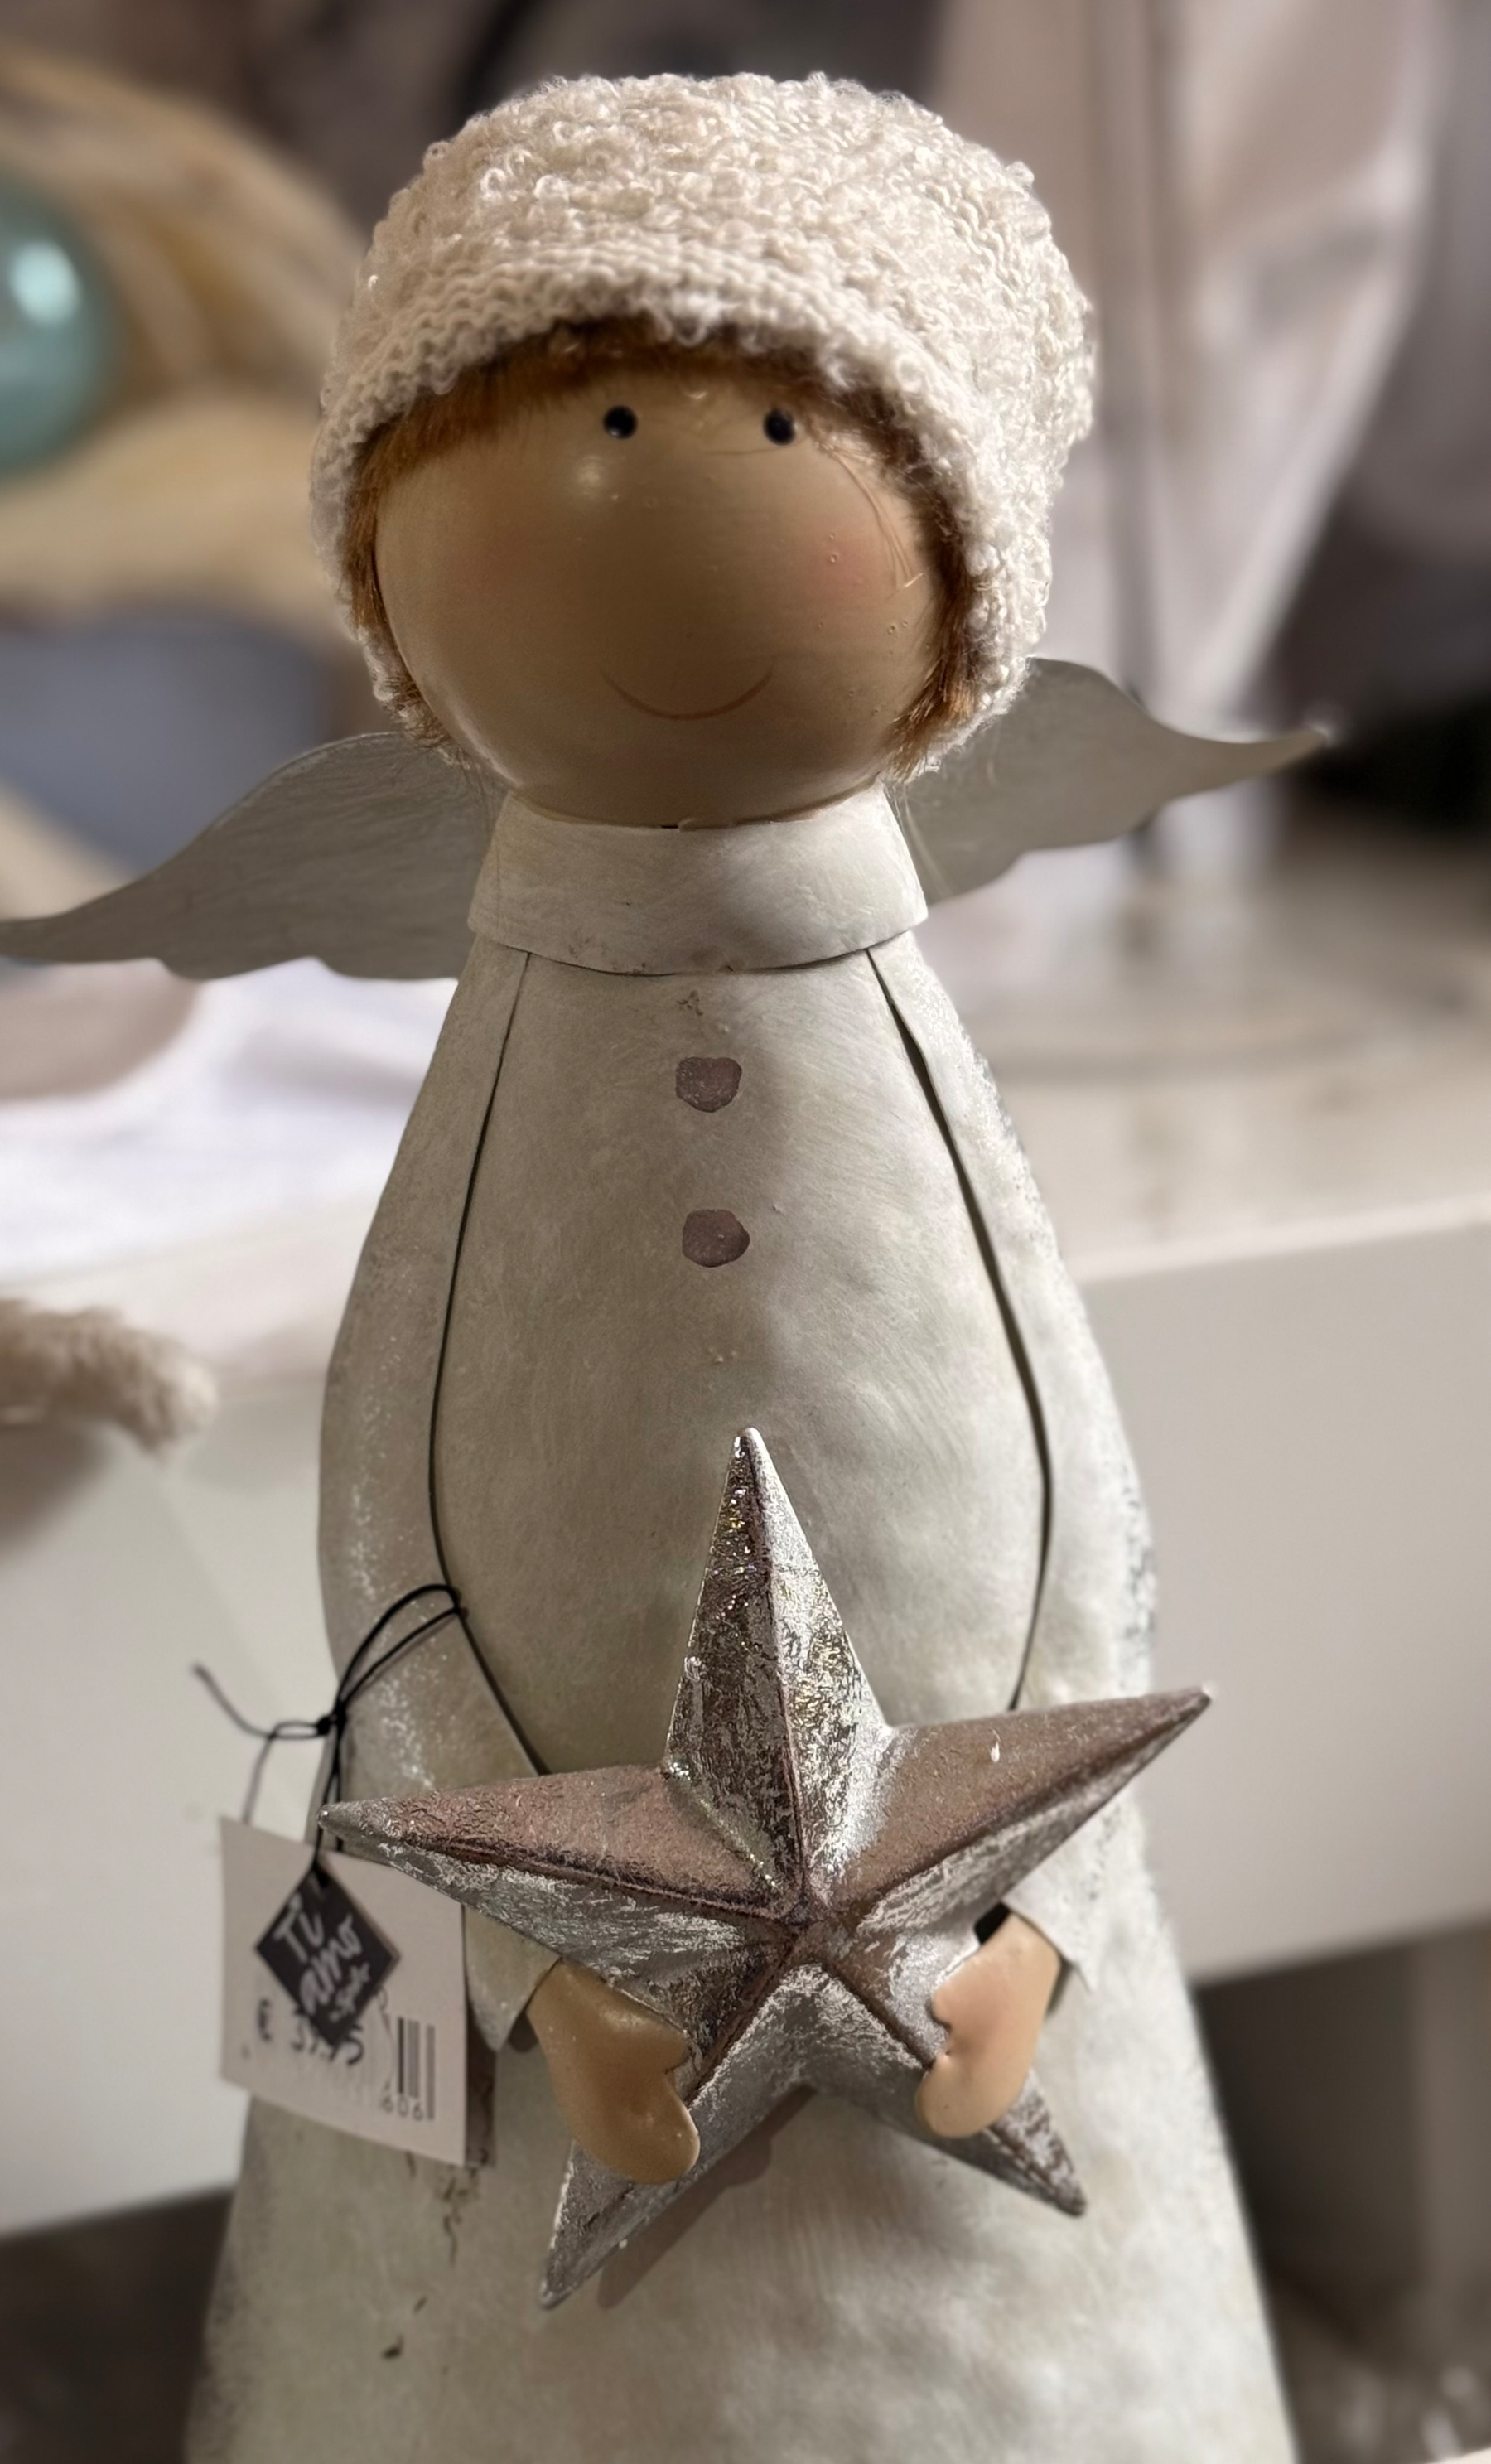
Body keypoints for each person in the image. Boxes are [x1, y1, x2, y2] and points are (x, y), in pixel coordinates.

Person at [176, 72, 1292, 2462]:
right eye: (555, 407)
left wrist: (1038, 1926)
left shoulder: (908, 1078)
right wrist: (517, 1939)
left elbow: (1076, 1535)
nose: (642, 469)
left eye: (781, 411)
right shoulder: (506, 1081)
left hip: (974, 2120)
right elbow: (394, 1536)